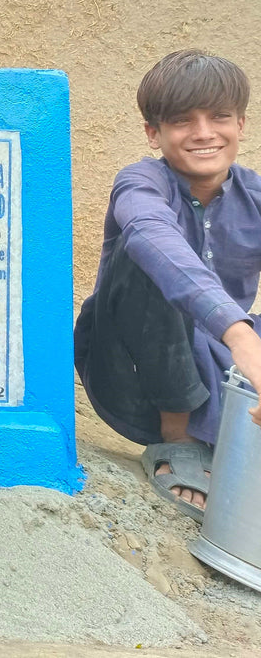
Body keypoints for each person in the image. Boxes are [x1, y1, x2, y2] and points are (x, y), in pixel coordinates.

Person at [75, 50, 261, 522]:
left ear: (240, 123)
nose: (203, 133)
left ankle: (228, 438)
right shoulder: (141, 183)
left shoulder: (255, 197)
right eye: (182, 121)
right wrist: (241, 336)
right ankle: (178, 440)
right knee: (149, 257)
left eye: (218, 117)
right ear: (154, 134)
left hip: (221, 374)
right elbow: (151, 236)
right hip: (136, 378)